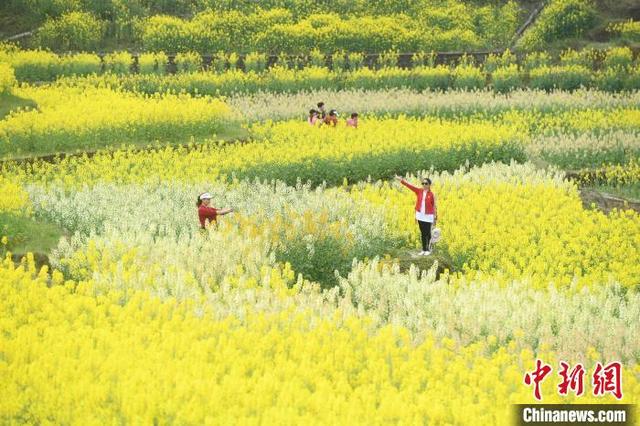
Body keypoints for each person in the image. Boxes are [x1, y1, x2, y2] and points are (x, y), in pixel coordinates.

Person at [394, 175, 438, 256]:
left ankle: (428, 249)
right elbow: (410, 186)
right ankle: (424, 249)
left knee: (427, 233)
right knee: (422, 233)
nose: (424, 185)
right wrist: (401, 180)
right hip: (420, 215)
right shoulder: (419, 191)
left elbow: (434, 206)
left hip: (428, 216)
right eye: (423, 183)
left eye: (426, 183)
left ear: (429, 185)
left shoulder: (431, 194)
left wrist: (435, 217)